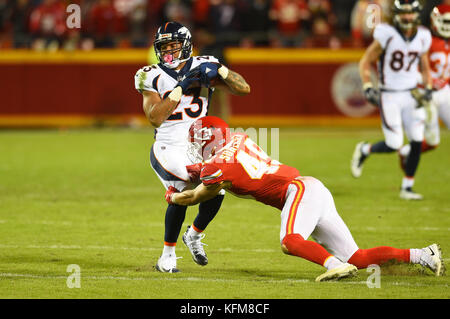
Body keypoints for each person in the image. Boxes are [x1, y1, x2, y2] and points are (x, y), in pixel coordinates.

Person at [163, 116, 445, 282]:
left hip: (297, 192)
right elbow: (229, 165)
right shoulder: (238, 138)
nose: (196, 148)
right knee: (358, 257)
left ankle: (334, 266)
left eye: (197, 142)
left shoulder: (217, 166)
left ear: (207, 139)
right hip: (311, 190)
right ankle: (423, 255)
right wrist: (200, 169)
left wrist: (173, 198)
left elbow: (196, 196)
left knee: (290, 241)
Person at [134, 22, 250, 273]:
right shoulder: (149, 74)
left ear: (185, 45)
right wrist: (181, 87)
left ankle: (194, 234)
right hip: (168, 145)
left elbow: (244, 89)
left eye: (173, 45)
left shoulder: (202, 64)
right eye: (164, 46)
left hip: (198, 144)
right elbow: (155, 117)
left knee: (216, 186)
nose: (168, 51)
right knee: (182, 185)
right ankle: (168, 255)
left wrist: (222, 72)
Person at [351, 0, 433, 200]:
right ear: (396, 14)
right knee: (395, 143)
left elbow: (424, 66)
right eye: (404, 13)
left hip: (412, 93)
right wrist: (368, 85)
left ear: (417, 14)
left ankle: (407, 187)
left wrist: (428, 87)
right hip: (390, 94)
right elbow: (366, 60)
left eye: (411, 13)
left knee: (416, 139)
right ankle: (365, 149)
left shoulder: (423, 36)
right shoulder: (386, 34)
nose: (407, 17)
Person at [398, 4, 450, 168]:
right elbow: (410, 66)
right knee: (433, 141)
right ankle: (406, 151)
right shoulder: (425, 38)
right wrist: (426, 80)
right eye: (446, 23)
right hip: (425, 94)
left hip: (444, 92)